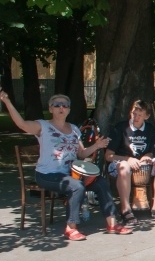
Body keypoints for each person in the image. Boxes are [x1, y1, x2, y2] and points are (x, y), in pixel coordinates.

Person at [0, 90, 132, 240]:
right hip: (47, 174)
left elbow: (81, 154)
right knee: (76, 186)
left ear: (69, 109)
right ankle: (71, 227)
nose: (61, 107)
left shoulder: (74, 129)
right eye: (57, 105)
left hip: (70, 174)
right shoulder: (42, 126)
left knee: (100, 182)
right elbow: (21, 124)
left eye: (65, 105)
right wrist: (7, 101)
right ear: (50, 109)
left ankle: (112, 224)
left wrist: (97, 145)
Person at [105, 100, 155, 223]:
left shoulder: (150, 129)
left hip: (143, 166)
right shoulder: (120, 128)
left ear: (146, 116)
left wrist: (147, 156)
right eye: (133, 114)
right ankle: (125, 209)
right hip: (121, 164)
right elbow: (108, 156)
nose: (136, 117)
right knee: (124, 167)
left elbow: (153, 151)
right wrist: (128, 159)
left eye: (140, 115)